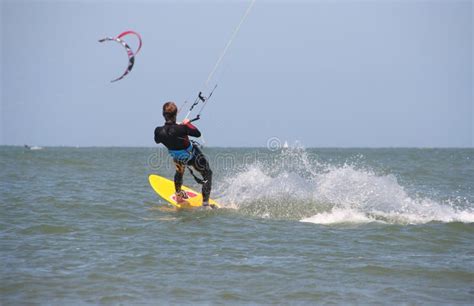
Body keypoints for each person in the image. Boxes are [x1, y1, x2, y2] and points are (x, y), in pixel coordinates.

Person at [154, 101, 214, 208]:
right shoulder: (182, 128)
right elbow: (197, 133)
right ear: (176, 114)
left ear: (163, 114)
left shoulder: (158, 131)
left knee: (179, 172)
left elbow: (157, 140)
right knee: (207, 174)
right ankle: (205, 204)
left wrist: (174, 128)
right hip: (192, 156)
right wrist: (187, 124)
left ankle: (178, 196)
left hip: (177, 158)